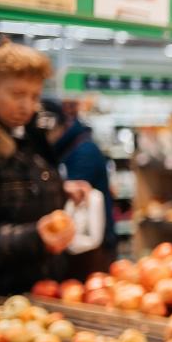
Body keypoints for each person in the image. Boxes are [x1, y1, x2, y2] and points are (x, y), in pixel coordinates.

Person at [0, 39, 87, 295]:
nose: (27, 105)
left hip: (38, 292)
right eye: (17, 94)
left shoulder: (29, 138)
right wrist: (34, 236)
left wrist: (57, 189)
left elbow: (16, 190)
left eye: (35, 96)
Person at [39, 98, 118, 278]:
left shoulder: (83, 152)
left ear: (60, 127)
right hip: (80, 242)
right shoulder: (64, 149)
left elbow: (77, 196)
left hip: (93, 244)